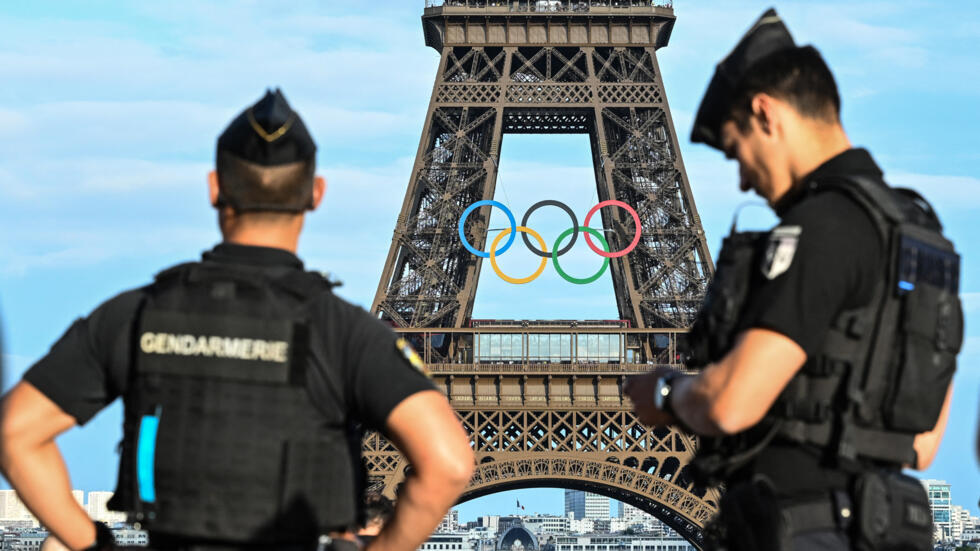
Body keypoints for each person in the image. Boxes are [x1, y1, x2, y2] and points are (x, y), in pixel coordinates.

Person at [0, 89, 475, 551]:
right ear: (316, 193)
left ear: (214, 188)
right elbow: (449, 462)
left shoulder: (137, 314)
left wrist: (92, 543)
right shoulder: (344, 333)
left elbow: (16, 432)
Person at [624, 10, 962, 551]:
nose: (742, 179)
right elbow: (921, 444)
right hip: (887, 528)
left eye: (737, 151)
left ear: (766, 113)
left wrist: (666, 391)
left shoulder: (822, 228)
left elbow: (731, 402)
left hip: (799, 529)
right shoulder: (923, 239)